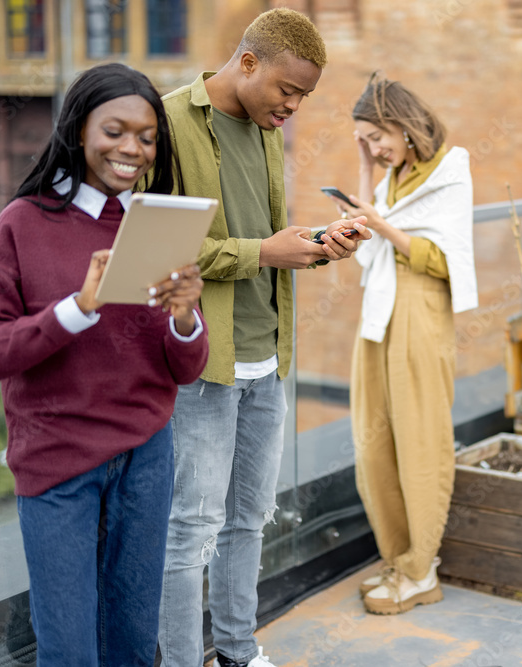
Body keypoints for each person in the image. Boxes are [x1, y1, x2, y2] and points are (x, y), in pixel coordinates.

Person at [0, 63, 208, 665]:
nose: (132, 149)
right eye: (115, 131)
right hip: (58, 464)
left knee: (131, 639)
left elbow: (184, 369)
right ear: (77, 131)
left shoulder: (155, 223)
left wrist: (184, 317)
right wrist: (77, 308)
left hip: (146, 456)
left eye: (147, 136)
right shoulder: (21, 224)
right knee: (69, 648)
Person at [156, 9, 369, 667]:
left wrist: (313, 243)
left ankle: (239, 651)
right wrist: (263, 253)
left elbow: (262, 236)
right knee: (190, 531)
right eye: (288, 90)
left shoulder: (268, 133)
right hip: (202, 361)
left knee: (249, 520)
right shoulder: (167, 122)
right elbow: (162, 252)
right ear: (247, 62)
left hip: (268, 359)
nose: (294, 107)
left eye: (304, 97)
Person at [330, 72, 478, 614]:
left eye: (377, 137)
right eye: (365, 141)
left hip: (420, 311)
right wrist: (367, 169)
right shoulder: (392, 176)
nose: (375, 148)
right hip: (380, 313)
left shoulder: (450, 171)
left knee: (420, 439)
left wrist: (383, 226)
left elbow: (444, 262)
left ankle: (422, 570)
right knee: (375, 441)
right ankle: (398, 558)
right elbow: (370, 229)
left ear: (401, 123)